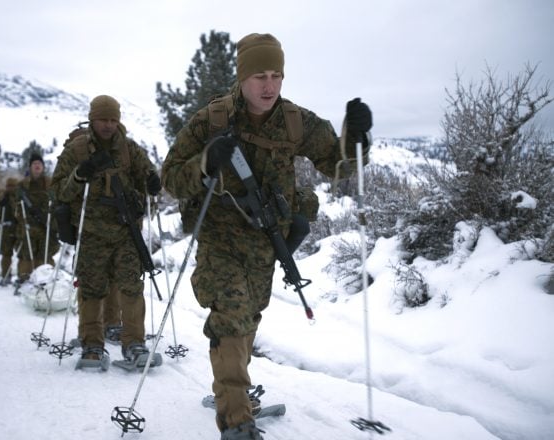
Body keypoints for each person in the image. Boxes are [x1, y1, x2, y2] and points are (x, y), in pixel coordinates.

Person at [161, 33, 372, 439]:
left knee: (251, 314)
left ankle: (230, 388)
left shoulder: (294, 121)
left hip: (265, 238)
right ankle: (237, 420)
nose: (270, 86)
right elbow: (170, 179)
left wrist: (357, 139)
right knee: (232, 316)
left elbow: (341, 165)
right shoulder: (212, 120)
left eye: (277, 75)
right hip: (220, 238)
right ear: (242, 77)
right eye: (260, 76)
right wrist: (206, 162)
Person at [51, 95, 162, 370]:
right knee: (91, 288)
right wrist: (79, 176)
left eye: (113, 120)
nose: (108, 125)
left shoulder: (129, 150)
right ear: (92, 119)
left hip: (126, 232)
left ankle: (134, 343)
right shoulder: (76, 151)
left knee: (131, 287)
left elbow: (148, 181)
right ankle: (92, 345)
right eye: (103, 119)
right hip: (91, 232)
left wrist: (153, 182)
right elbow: (57, 193)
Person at [14, 154, 58, 286]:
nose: (37, 165)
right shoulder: (22, 185)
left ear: (43, 167)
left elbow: (57, 203)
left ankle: (45, 281)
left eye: (40, 163)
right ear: (30, 167)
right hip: (29, 227)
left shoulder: (51, 184)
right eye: (34, 163)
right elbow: (16, 206)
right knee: (27, 256)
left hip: (47, 227)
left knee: (45, 255)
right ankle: (24, 281)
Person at [0, 177, 19, 284]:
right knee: (6, 253)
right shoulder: (3, 197)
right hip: (7, 227)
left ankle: (22, 276)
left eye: (13, 186)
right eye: (8, 186)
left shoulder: (19, 196)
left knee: (22, 254)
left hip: (19, 227)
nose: (10, 188)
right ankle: (6, 275)